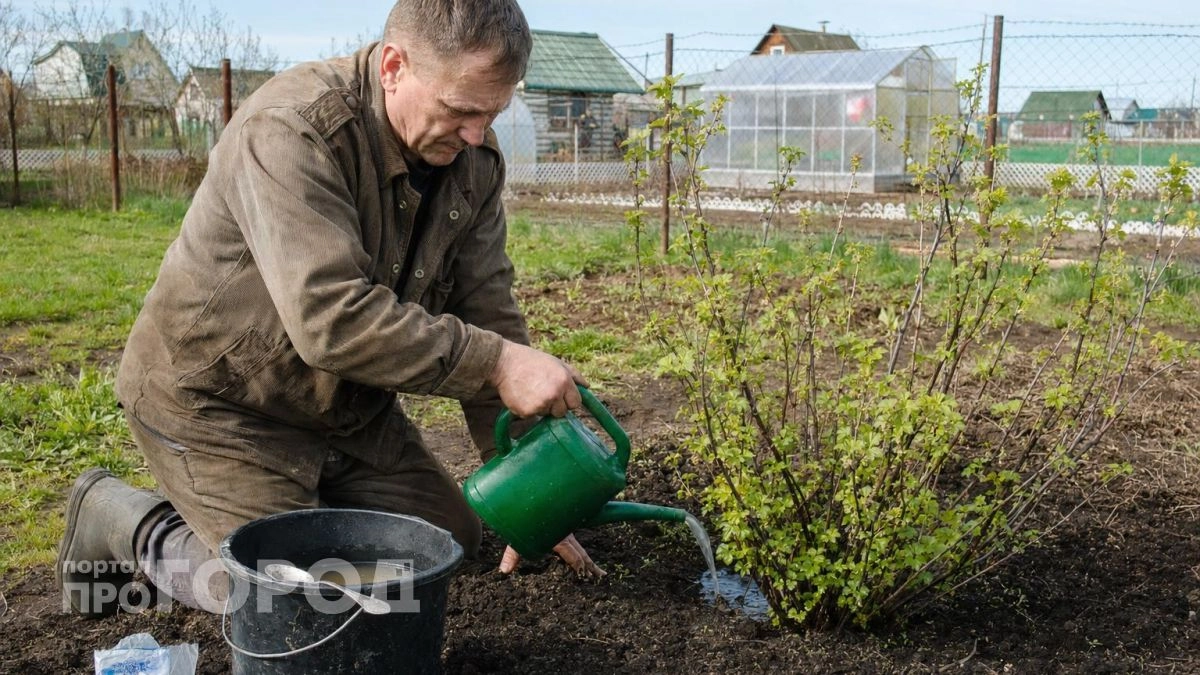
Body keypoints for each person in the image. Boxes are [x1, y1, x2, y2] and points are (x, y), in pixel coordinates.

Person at [57, 0, 602, 618]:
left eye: (492, 113)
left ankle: (298, 516)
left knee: (448, 544)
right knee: (298, 598)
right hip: (220, 401)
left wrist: (530, 484)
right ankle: (128, 522)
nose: (477, 134)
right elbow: (331, 319)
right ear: (394, 67)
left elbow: (487, 308)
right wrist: (498, 363)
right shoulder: (292, 130)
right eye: (460, 110)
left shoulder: (471, 161)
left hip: (344, 410)